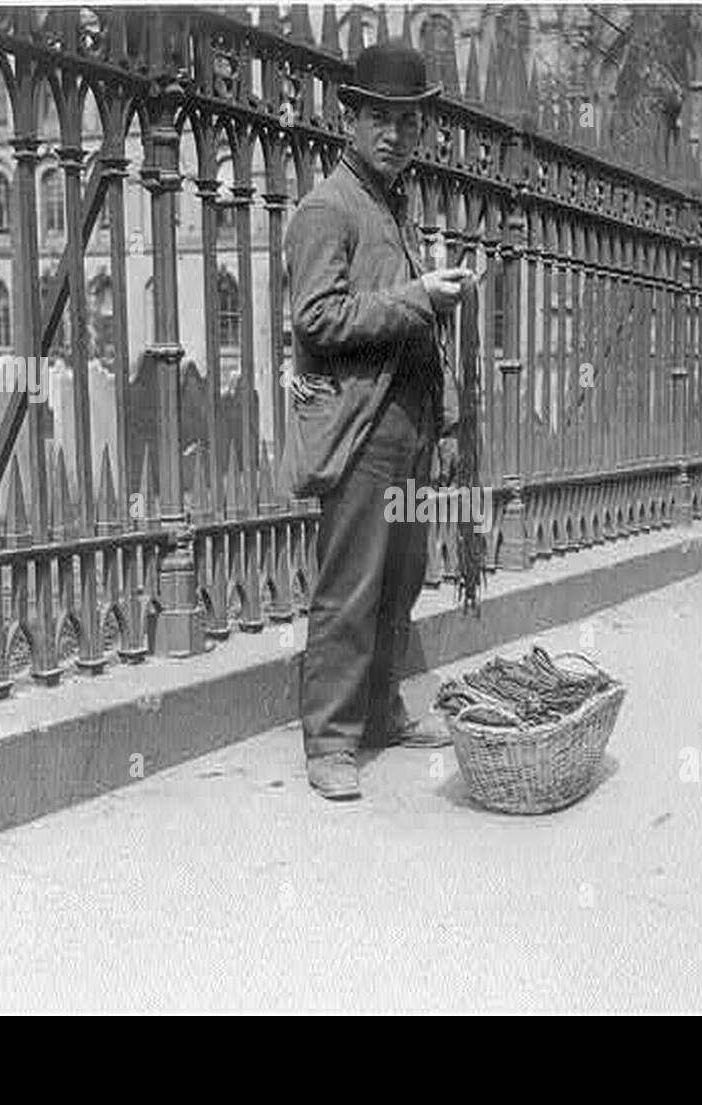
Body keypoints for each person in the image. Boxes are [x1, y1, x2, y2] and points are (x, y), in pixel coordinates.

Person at [282, 41, 471, 800]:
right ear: (349, 119)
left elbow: (422, 332)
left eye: (407, 122)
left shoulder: (392, 204)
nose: (395, 135)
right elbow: (317, 318)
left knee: (402, 578)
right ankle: (329, 740)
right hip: (360, 431)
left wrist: (449, 420)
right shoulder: (329, 207)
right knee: (350, 587)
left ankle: (382, 710)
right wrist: (420, 295)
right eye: (379, 120)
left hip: (409, 427)